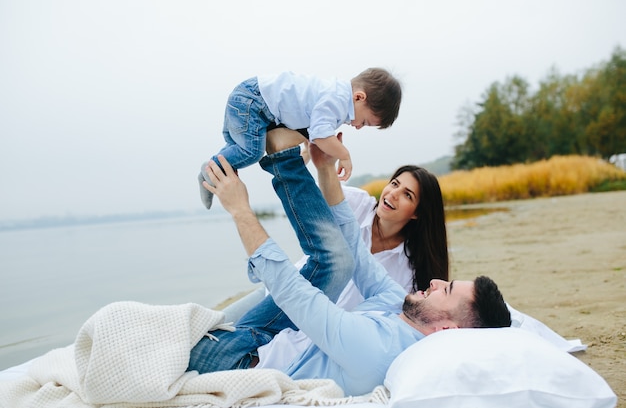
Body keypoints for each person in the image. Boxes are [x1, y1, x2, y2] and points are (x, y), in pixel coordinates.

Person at [188, 132, 511, 396]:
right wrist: (324, 166)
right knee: (341, 260)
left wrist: (240, 209)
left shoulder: (376, 346)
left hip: (246, 358)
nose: (438, 281)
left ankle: (280, 156)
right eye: (395, 184)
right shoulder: (399, 307)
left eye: (448, 289)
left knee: (156, 334)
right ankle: (283, 158)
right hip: (285, 322)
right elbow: (351, 245)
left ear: (447, 329)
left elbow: (298, 296)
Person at [198, 67, 402, 209]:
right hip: (254, 101)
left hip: (251, 98)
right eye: (364, 122)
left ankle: (213, 172)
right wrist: (345, 155)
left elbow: (310, 128)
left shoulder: (334, 95)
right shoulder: (338, 101)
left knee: (235, 150)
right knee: (251, 152)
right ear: (359, 97)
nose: (358, 127)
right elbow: (320, 134)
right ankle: (210, 170)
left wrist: (306, 153)